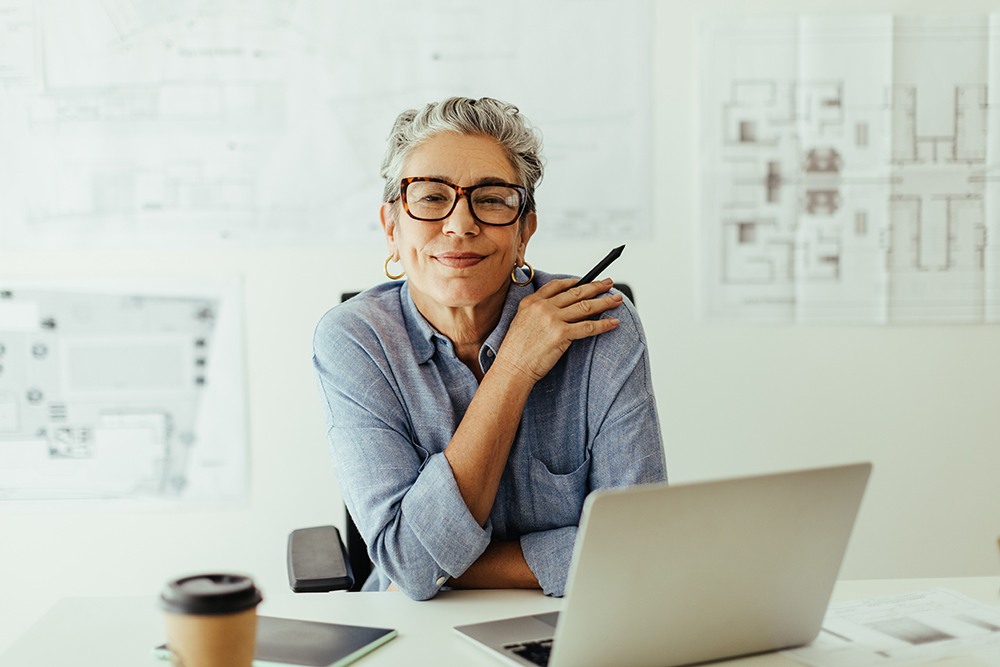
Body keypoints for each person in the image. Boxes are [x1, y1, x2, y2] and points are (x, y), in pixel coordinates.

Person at [312, 97, 665, 601]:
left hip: (575, 620)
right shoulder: (355, 340)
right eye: (432, 198)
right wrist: (515, 366)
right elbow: (409, 566)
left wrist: (452, 565)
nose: (460, 225)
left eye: (493, 199)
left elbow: (638, 543)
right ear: (393, 227)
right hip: (418, 632)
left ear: (524, 231)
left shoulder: (597, 321)